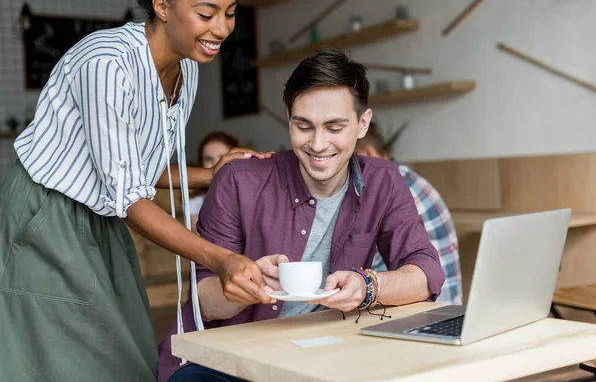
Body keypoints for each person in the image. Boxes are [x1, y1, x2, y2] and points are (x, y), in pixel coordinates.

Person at [0, 0, 276, 381]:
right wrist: (220, 259)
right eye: (206, 13)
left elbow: (135, 165)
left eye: (230, 13)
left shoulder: (188, 69)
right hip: (47, 213)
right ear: (162, 7)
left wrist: (208, 176)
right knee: (66, 359)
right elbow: (129, 198)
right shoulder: (107, 63)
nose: (222, 28)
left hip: (102, 216)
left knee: (128, 349)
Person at [158, 47, 445, 382]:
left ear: (363, 123)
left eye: (335, 127)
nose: (318, 144)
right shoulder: (238, 180)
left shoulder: (383, 181)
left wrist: (369, 286)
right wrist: (246, 285)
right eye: (304, 126)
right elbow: (203, 301)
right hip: (222, 362)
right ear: (288, 117)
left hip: (322, 355)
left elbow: (426, 273)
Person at [355, 123, 463, 305]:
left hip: (421, 312)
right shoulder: (412, 179)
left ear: (369, 153)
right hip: (450, 307)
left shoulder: (390, 191)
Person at [189, 131, 240, 215]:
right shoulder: (195, 202)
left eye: (222, 157)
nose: (216, 164)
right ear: (201, 163)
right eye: (208, 159)